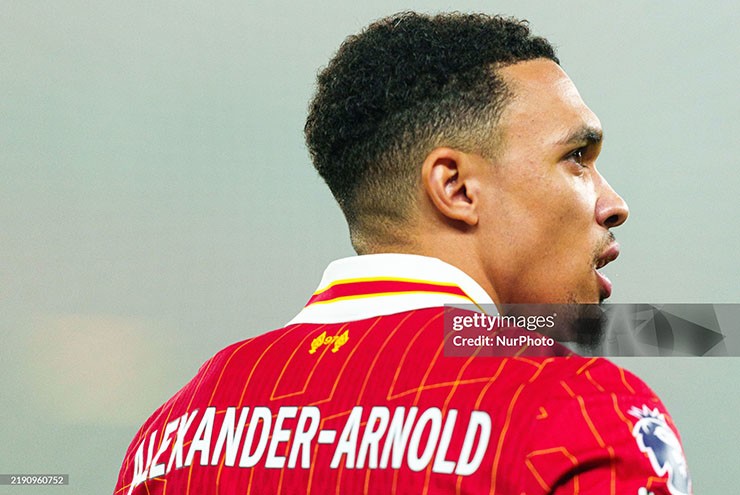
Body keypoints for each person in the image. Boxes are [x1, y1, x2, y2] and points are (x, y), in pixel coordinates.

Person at [114, 12, 692, 495]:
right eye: (577, 158)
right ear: (456, 188)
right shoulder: (576, 413)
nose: (614, 204)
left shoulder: (169, 440)